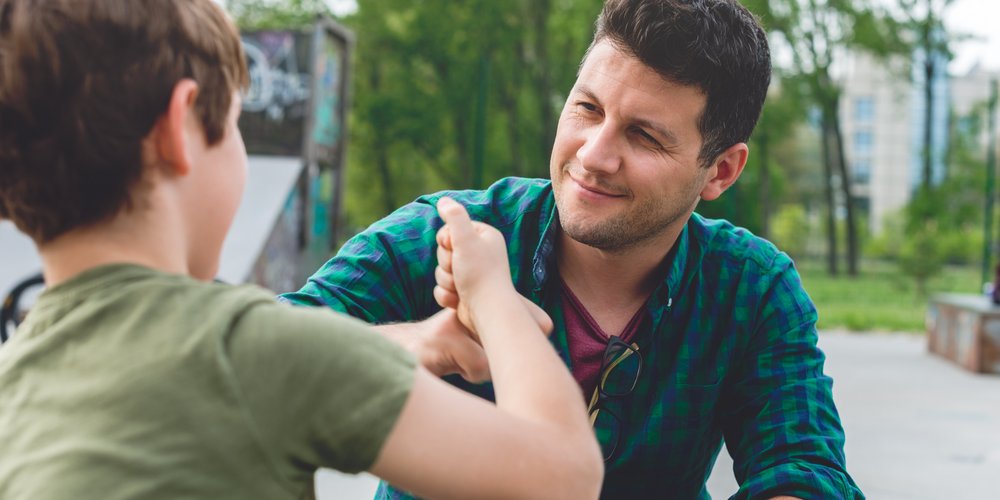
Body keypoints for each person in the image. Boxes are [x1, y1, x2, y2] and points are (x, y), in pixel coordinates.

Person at [0, 1, 605, 499]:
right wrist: (493, 295)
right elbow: (564, 474)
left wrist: (412, 342)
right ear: (179, 128)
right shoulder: (258, 352)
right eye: (236, 124)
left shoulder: (15, 384)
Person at [282, 0, 864, 498]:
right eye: (587, 109)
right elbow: (254, 355)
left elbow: (805, 468)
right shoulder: (443, 233)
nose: (593, 154)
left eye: (644, 136)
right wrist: (416, 342)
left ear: (720, 171)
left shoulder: (751, 288)